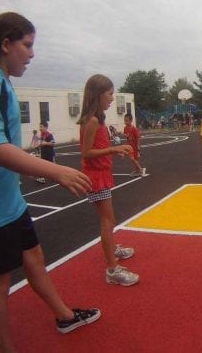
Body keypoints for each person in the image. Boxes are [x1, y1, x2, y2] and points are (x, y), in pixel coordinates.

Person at [0, 12, 100, 352]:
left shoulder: (2, 82)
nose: (32, 54)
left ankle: (63, 315)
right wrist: (55, 171)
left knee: (34, 256)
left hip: (10, 201)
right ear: (6, 45)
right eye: (27, 45)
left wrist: (26, 169)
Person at [78, 74, 139, 287]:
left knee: (108, 220)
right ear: (98, 94)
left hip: (101, 175)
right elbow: (86, 153)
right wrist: (113, 149)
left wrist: (113, 149)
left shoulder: (97, 118)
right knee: (108, 221)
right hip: (96, 178)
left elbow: (96, 148)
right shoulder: (92, 120)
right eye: (110, 93)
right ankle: (112, 269)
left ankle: (112, 249)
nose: (112, 98)